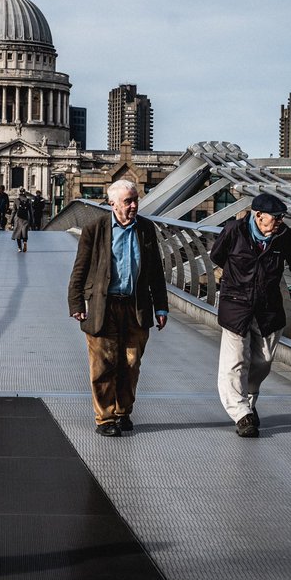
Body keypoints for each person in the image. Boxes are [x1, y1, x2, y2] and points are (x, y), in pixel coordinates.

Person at [209, 192, 291, 438]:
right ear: (258, 215)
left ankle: (248, 404)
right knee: (235, 362)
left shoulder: (283, 236)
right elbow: (216, 256)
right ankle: (241, 414)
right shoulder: (234, 231)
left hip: (268, 308)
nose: (280, 221)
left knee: (263, 361)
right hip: (236, 306)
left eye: (283, 217)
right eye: (277, 217)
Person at [68, 179, 168, 437]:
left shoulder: (146, 228)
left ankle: (123, 412)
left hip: (136, 305)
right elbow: (80, 268)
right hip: (104, 305)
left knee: (131, 362)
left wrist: (161, 307)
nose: (134, 205)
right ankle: (105, 418)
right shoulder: (95, 229)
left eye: (135, 200)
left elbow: (156, 270)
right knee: (103, 364)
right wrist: (77, 302)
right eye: (128, 201)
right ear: (112, 204)